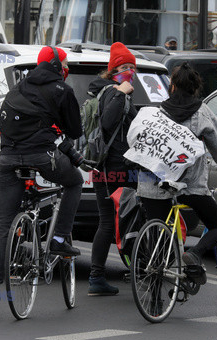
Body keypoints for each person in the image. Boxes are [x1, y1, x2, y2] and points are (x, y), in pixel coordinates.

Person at [0, 46, 86, 314]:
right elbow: (74, 130)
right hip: (42, 157)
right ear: (59, 66)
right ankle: (60, 238)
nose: (67, 69)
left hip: (7, 160)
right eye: (66, 64)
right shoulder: (62, 90)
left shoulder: (18, 88)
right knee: (74, 182)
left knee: (4, 221)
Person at [135, 62, 217, 284]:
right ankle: (194, 253)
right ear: (195, 88)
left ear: (172, 86)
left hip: (152, 185)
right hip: (189, 186)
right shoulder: (202, 112)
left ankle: (154, 297)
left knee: (158, 233)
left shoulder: (156, 112)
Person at [88, 42, 139, 296]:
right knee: (114, 222)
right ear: (112, 71)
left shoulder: (118, 92)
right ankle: (100, 277)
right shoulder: (113, 92)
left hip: (107, 169)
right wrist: (121, 93)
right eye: (123, 67)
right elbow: (108, 122)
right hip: (113, 170)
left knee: (115, 222)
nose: (129, 71)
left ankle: (104, 275)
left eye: (132, 67)